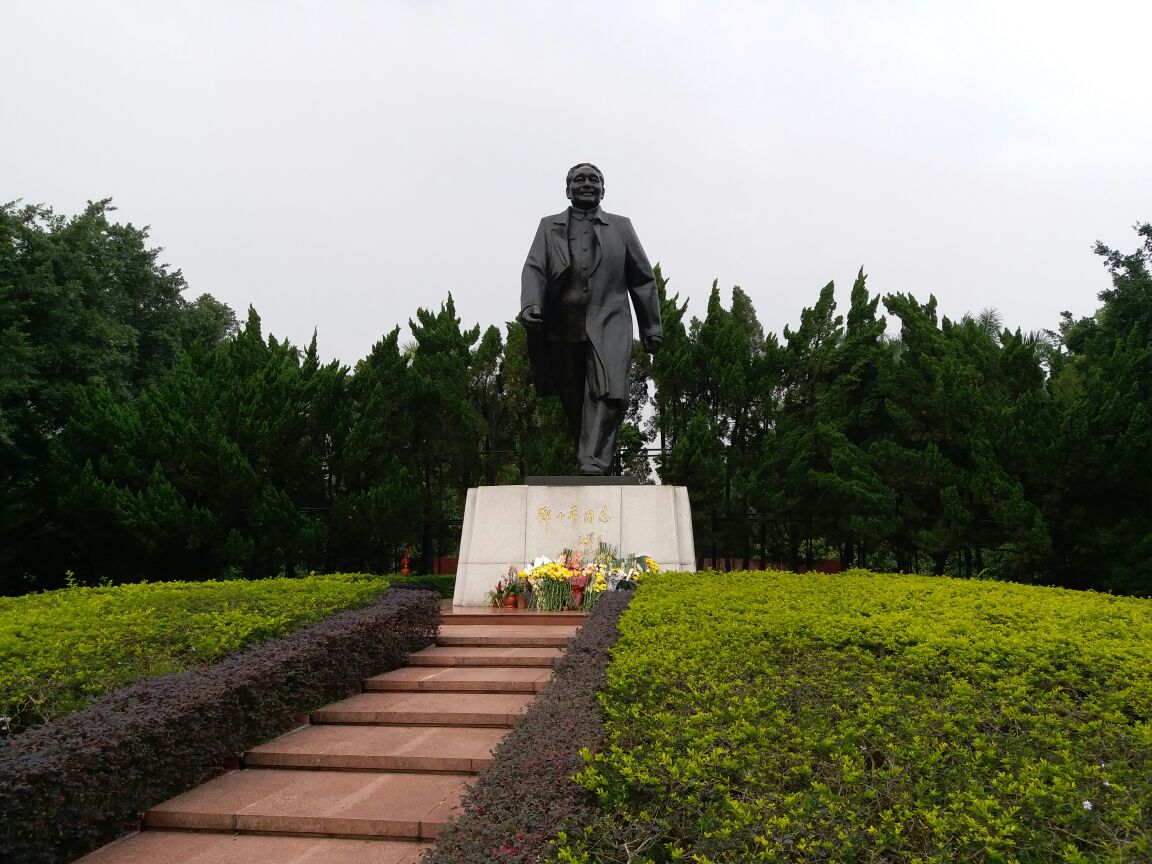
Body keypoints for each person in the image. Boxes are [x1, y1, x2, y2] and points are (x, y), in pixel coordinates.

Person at [520, 163, 662, 475]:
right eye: (579, 180)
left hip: (609, 320)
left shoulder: (621, 227)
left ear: (603, 189)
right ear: (567, 189)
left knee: (610, 390)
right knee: (574, 398)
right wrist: (532, 303)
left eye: (594, 180)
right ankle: (588, 453)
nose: (587, 184)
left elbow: (642, 279)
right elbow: (535, 268)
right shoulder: (549, 226)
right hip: (562, 323)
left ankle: (595, 461)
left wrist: (651, 325)